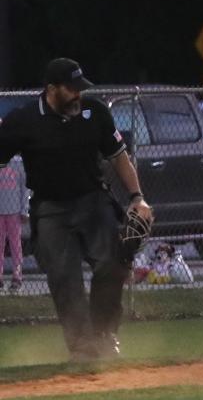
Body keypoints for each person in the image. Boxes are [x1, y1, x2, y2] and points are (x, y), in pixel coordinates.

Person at [0, 58, 153, 360]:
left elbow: (119, 157)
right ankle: (82, 347)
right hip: (51, 210)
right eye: (71, 89)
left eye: (80, 88)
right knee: (64, 278)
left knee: (112, 262)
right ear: (51, 89)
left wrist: (138, 197)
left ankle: (104, 334)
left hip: (93, 201)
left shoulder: (94, 113)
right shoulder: (26, 120)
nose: (77, 95)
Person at [0, 155, 28, 294]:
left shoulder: (18, 162)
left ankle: (17, 276)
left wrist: (24, 210)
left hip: (14, 211)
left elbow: (24, 188)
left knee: (15, 244)